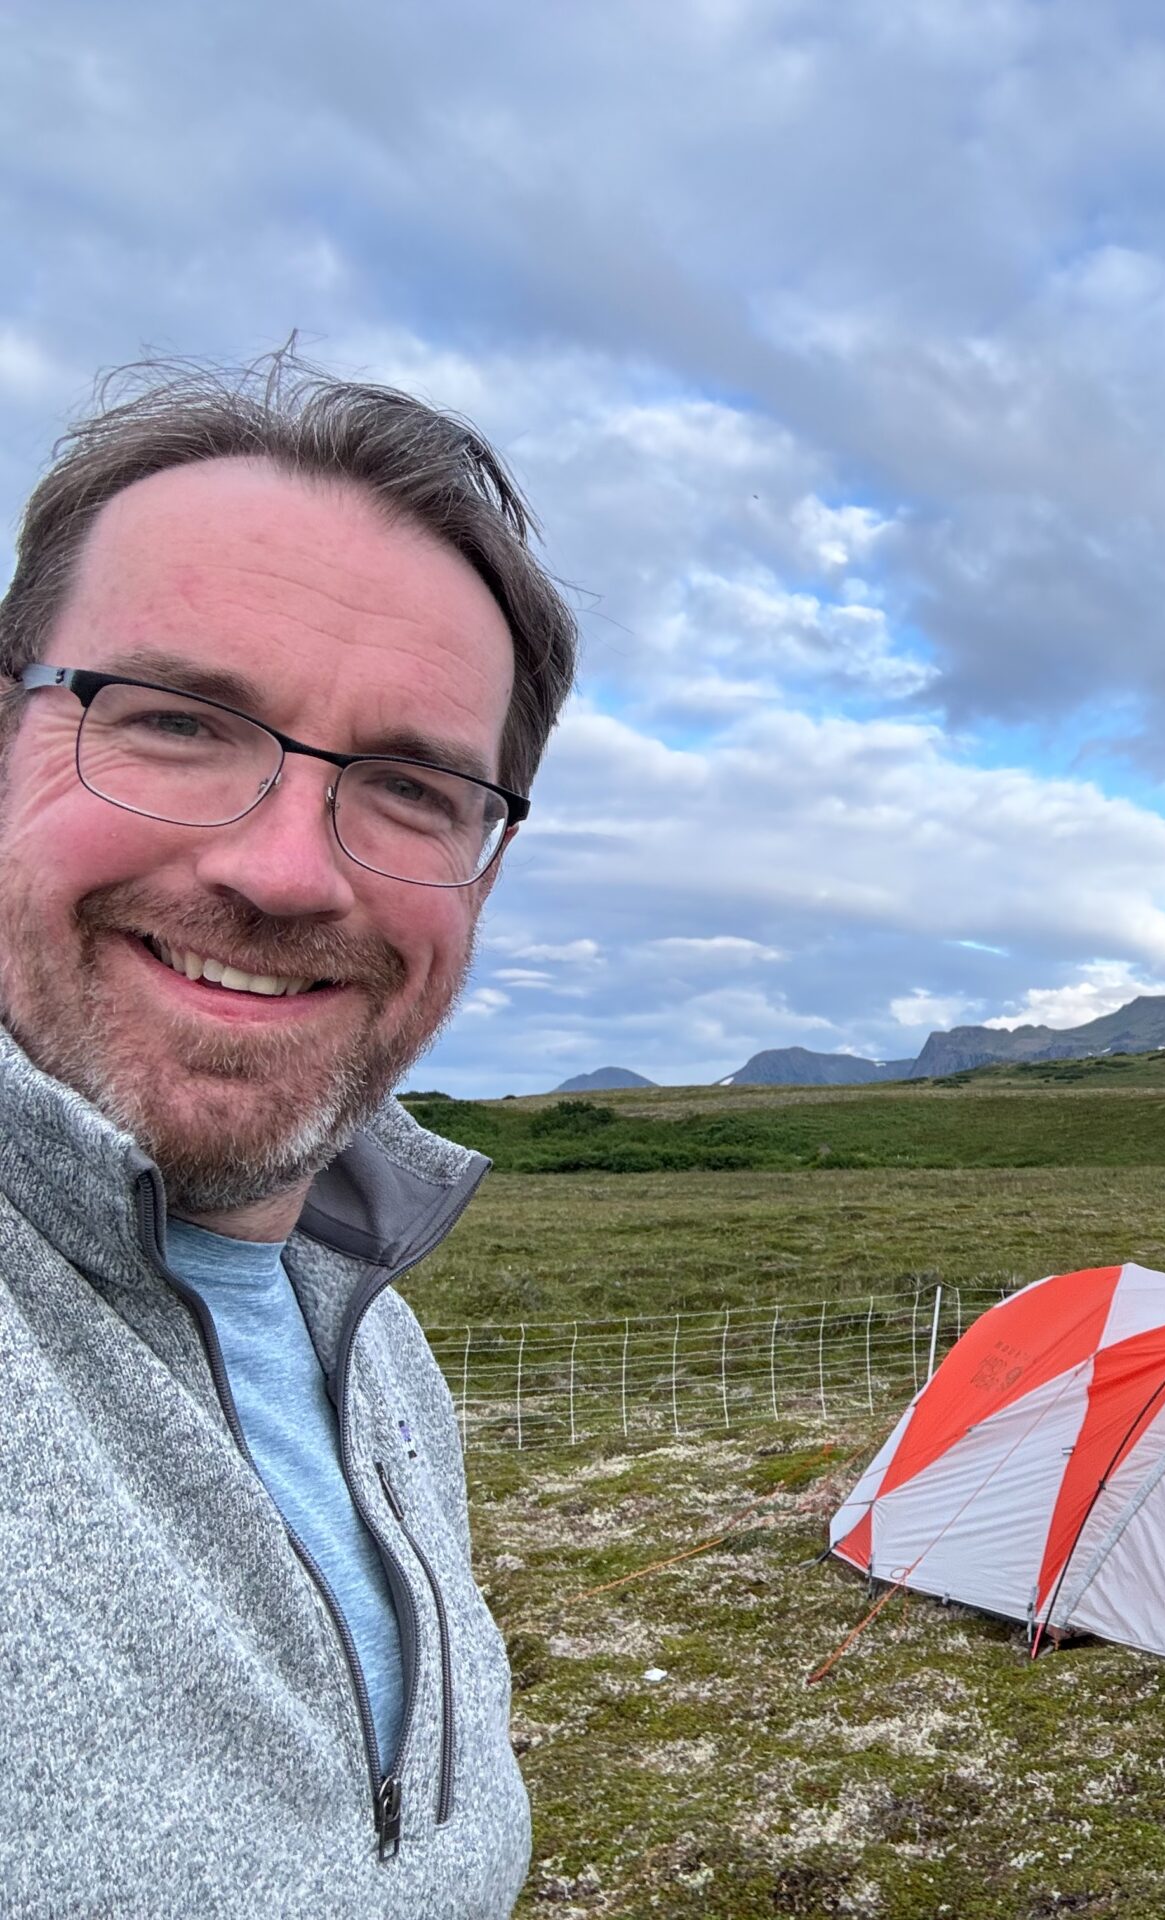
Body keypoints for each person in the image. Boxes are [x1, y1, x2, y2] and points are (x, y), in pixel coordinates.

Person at [0, 356, 577, 1917]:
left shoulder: (371, 1332)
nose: (280, 873)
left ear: (481, 873)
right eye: (179, 720)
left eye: (410, 785)